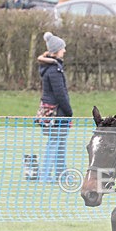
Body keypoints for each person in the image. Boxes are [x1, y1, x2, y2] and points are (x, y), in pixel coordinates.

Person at [36, 32, 72, 183]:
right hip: (57, 114)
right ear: (56, 50)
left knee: (59, 143)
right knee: (54, 143)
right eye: (62, 48)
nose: (64, 51)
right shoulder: (54, 70)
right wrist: (69, 111)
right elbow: (60, 94)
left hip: (54, 113)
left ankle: (60, 174)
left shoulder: (51, 68)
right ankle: (45, 176)